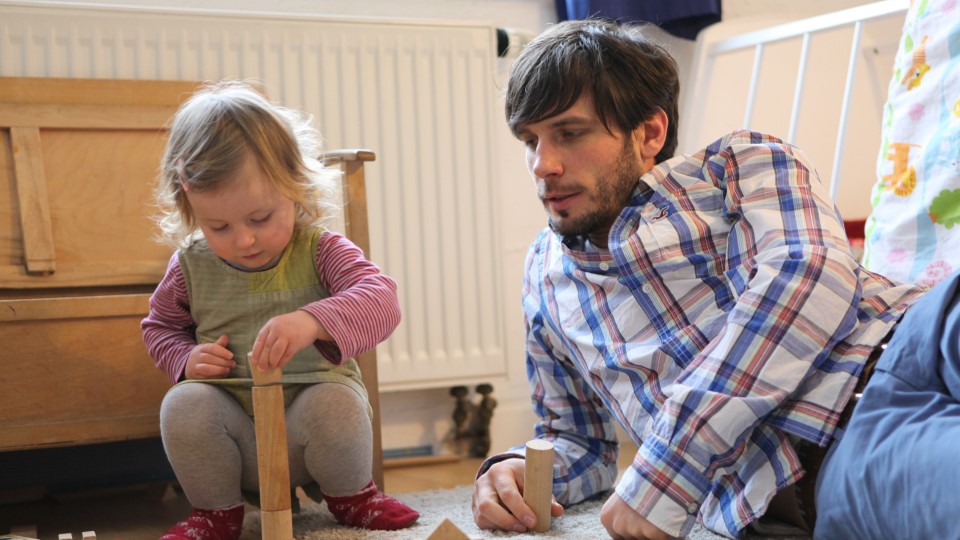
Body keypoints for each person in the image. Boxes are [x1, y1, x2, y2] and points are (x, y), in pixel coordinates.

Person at [470, 18, 942, 540]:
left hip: (918, 335)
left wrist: (667, 470)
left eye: (570, 133)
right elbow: (579, 444)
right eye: (530, 140)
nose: (543, 164)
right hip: (839, 444)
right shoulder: (543, 279)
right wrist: (515, 472)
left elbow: (808, 278)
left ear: (650, 132)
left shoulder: (742, 163)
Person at [141, 81, 419, 540]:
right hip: (236, 436)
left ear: (295, 186)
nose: (244, 240)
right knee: (182, 404)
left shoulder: (321, 248)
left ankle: (354, 497)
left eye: (260, 218)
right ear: (189, 203)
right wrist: (185, 358)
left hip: (308, 436)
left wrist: (314, 320)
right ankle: (215, 513)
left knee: (335, 402)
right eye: (218, 226)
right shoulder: (188, 265)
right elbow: (161, 328)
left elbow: (382, 299)